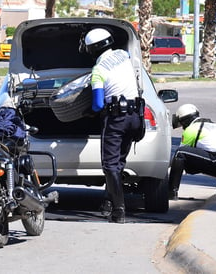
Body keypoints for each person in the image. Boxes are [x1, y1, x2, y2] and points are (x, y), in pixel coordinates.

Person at [83, 28, 142, 223]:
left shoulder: (98, 71)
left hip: (116, 120)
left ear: (93, 49)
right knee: (118, 163)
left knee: (109, 166)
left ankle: (119, 211)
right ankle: (108, 202)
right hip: (135, 117)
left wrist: (89, 111)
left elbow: (99, 104)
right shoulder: (123, 54)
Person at [168, 104, 216, 200]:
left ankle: (171, 192)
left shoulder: (191, 129)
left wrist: (162, 166)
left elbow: (178, 157)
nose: (182, 127)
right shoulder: (211, 124)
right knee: (192, 158)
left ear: (185, 121)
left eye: (182, 124)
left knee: (180, 154)